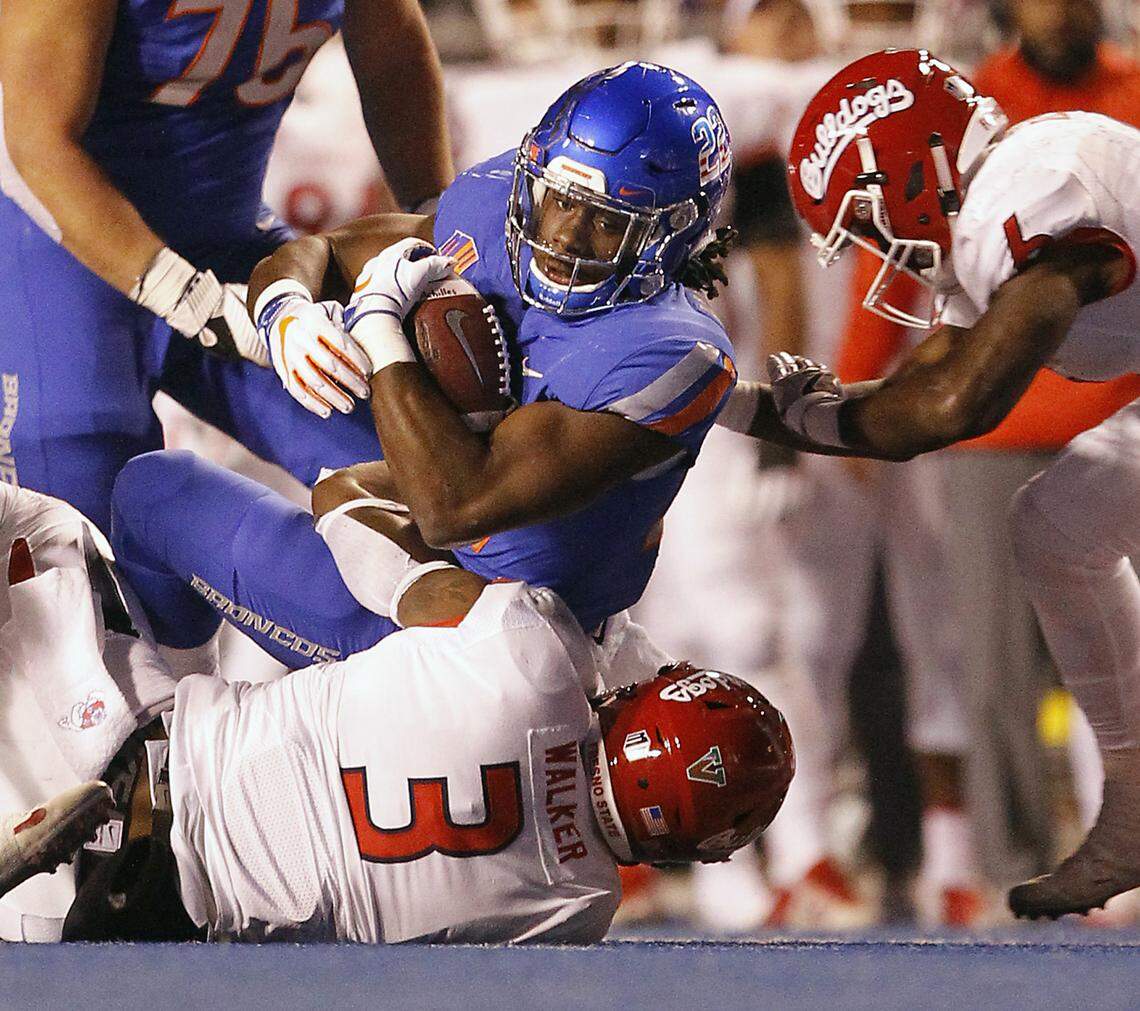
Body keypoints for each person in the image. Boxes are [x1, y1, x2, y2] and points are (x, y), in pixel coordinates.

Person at [110, 63, 740, 672]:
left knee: (155, 498)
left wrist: (380, 323)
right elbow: (326, 250)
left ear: (673, 237)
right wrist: (285, 310)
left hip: (509, 638)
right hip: (439, 575)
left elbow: (453, 506)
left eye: (607, 220)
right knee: (201, 487)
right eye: (560, 200)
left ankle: (166, 743)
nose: (567, 236)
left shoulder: (662, 351)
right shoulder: (496, 214)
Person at [0, 485, 794, 943]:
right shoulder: (580, 908)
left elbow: (348, 514)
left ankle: (87, 741)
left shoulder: (536, 658)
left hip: (149, 763)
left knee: (46, 529)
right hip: (157, 927)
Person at [721, 48, 1139, 918]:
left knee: (1059, 520)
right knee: (1057, 525)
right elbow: (934, 373)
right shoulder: (1001, 192)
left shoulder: (1032, 194)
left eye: (868, 219)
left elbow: (953, 406)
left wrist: (754, 411)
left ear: (916, 166)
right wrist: (773, 409)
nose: (881, 248)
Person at [0, 0, 454, 531]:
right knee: (77, 547)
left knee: (426, 468)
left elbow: (392, 49)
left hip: (227, 240)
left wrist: (437, 220)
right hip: (59, 251)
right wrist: (192, 300)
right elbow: (31, 138)